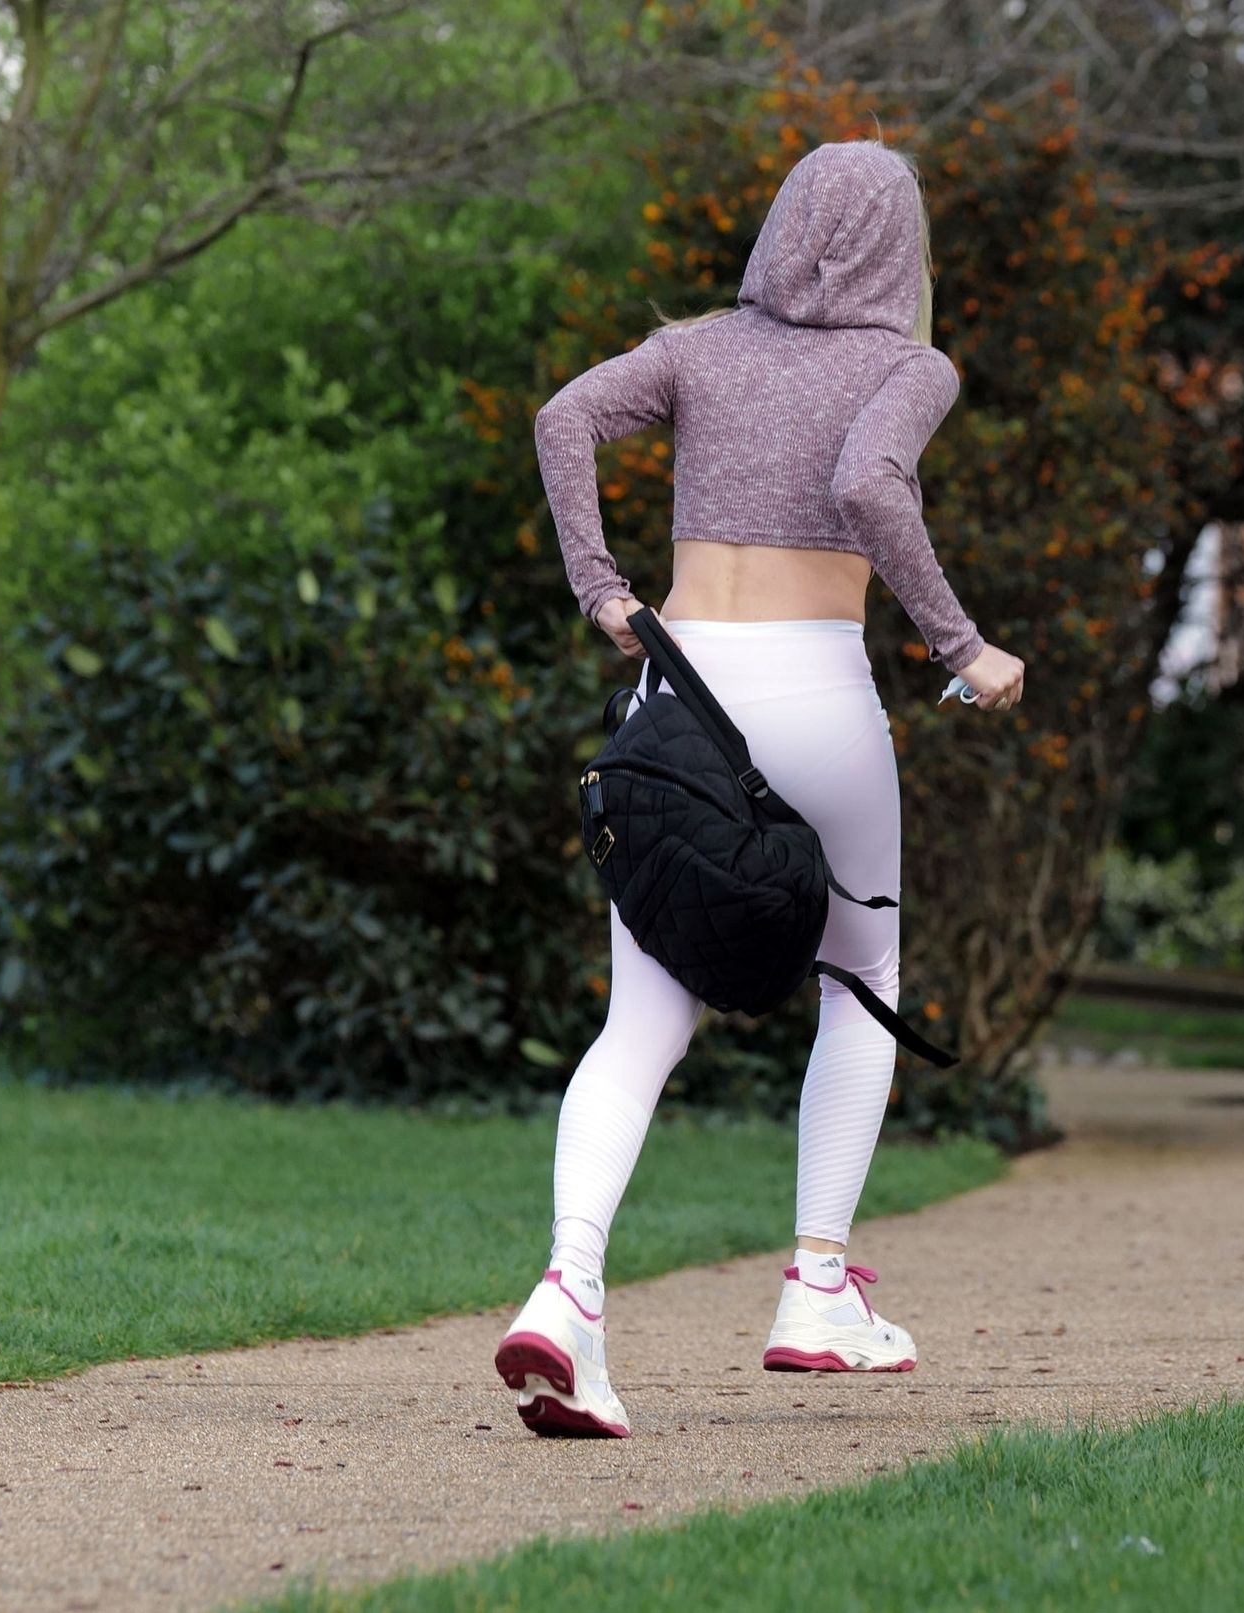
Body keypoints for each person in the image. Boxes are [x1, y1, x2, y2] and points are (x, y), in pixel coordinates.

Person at [494, 138, 1026, 1439]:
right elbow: (865, 483)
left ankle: (567, 1292)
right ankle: (817, 1286)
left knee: (641, 1023)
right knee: (861, 981)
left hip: (676, 699)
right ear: (902, 252)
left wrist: (602, 589)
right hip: (817, 698)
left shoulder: (698, 348)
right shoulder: (910, 365)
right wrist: (964, 650)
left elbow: (565, 416)